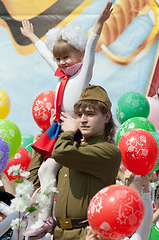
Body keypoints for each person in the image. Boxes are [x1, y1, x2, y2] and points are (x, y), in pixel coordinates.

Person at [20, 2, 113, 236]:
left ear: (79, 55)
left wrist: (99, 23)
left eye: (66, 57)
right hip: (60, 130)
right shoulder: (62, 75)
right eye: (58, 58)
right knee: (45, 171)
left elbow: (92, 45)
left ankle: (45, 218)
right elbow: (45, 55)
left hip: (76, 132)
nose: (61, 62)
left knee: (50, 168)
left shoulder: (83, 73)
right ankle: (47, 217)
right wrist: (32, 37)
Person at [51, 85, 121, 239]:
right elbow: (34, 175)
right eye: (79, 115)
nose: (82, 120)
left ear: (107, 117)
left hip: (89, 233)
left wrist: (69, 131)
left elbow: (60, 152)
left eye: (90, 114)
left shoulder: (109, 152)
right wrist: (50, 131)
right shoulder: (73, 148)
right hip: (59, 233)